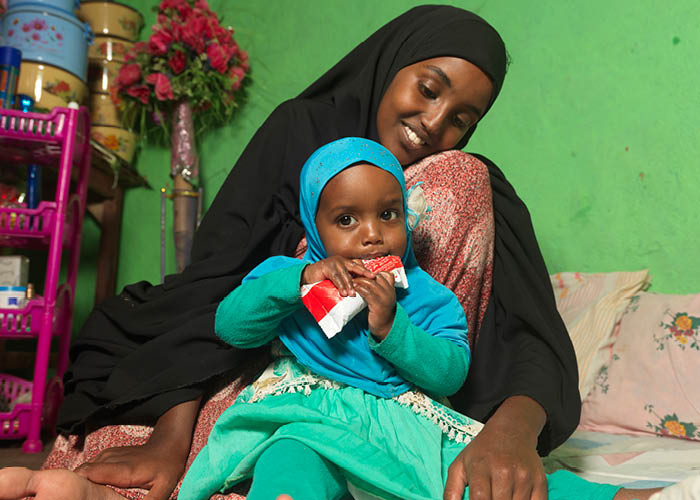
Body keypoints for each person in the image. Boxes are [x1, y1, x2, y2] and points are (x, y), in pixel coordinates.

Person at [0, 5, 577, 500]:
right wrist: (171, 434)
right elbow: (218, 281)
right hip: (273, 364)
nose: (432, 124)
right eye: (428, 89)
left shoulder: (460, 182)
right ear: (393, 62)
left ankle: (377, 441)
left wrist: (511, 432)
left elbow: (527, 331)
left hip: (401, 379)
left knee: (461, 177)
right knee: (150, 439)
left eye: (461, 119)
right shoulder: (302, 130)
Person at [174, 136, 664, 500]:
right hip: (307, 419)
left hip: (398, 428)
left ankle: (630, 496)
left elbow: (450, 370)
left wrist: (393, 329)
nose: (372, 235)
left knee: (479, 479)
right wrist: (298, 282)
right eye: (347, 220)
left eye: (388, 215)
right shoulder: (286, 276)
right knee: (291, 458)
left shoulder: (427, 295)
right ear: (314, 225)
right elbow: (231, 326)